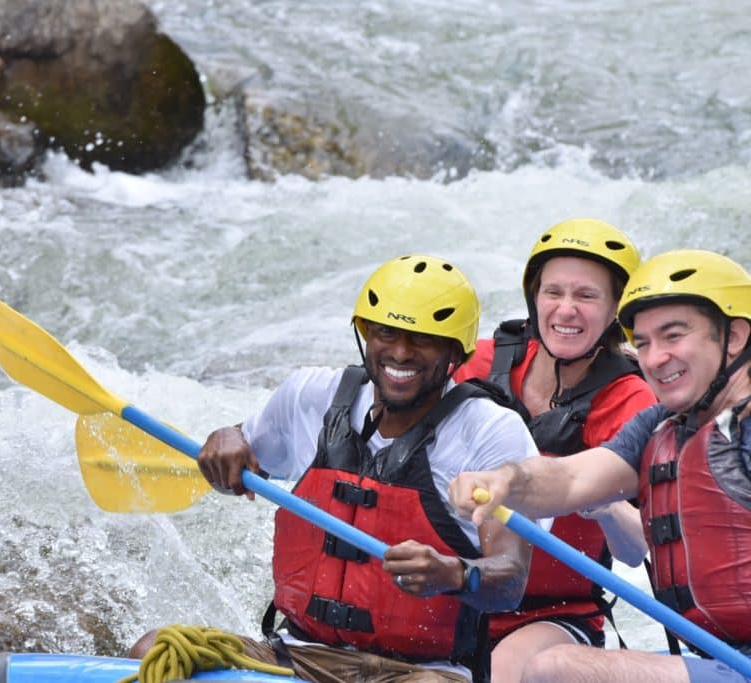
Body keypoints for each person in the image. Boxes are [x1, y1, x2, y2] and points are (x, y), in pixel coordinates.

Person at [129, 254, 539, 682]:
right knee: (154, 650)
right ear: (365, 333)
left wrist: (453, 572)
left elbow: (509, 581)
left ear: (456, 350)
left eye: (423, 339)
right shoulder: (310, 395)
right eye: (386, 332)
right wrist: (228, 437)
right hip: (296, 655)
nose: (400, 351)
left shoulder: (491, 432)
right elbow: (240, 456)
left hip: (419, 672)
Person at [448, 249, 751, 683]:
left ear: (735, 337)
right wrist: (503, 481)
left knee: (556, 669)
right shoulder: (662, 426)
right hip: (724, 662)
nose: (654, 358)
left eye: (673, 336)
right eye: (643, 342)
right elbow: (571, 478)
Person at [452, 218, 657, 682]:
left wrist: (600, 502)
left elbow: (635, 548)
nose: (566, 310)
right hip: (454, 592)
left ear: (616, 311)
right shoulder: (478, 362)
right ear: (534, 298)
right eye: (554, 293)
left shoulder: (632, 401)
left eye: (586, 296)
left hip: (549, 615)